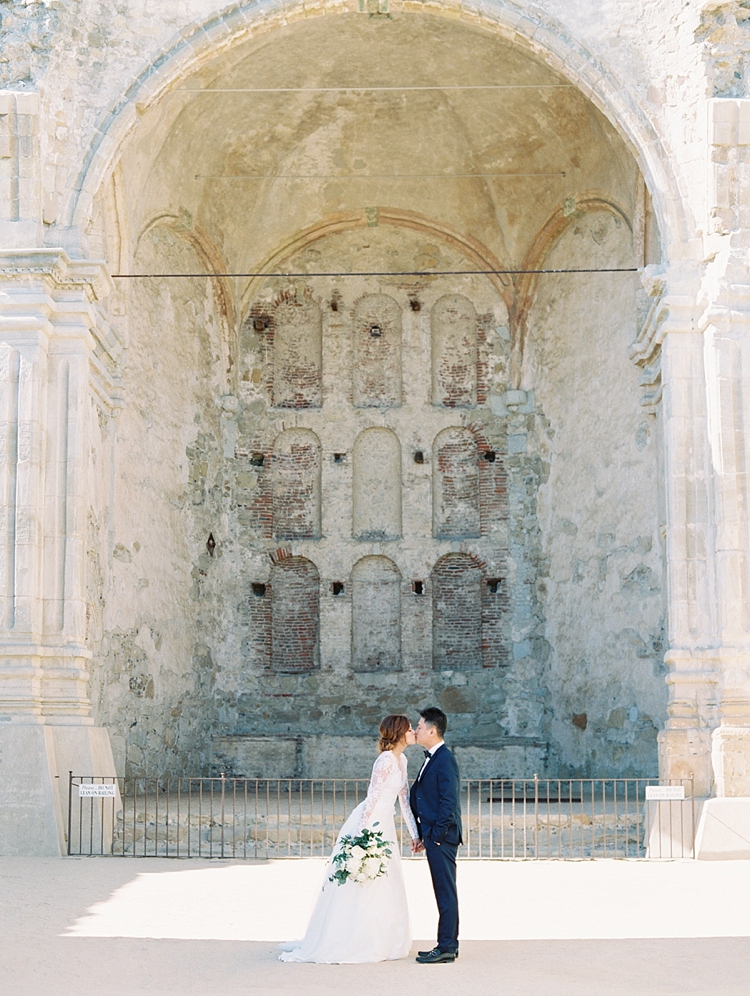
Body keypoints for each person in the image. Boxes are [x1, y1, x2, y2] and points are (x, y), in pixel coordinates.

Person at [279, 714, 420, 963]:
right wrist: (359, 838)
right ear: (399, 733)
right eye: (410, 729)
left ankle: (382, 938)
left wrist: (414, 834)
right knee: (362, 879)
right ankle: (352, 938)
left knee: (387, 880)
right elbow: (372, 798)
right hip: (370, 824)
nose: (413, 733)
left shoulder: (403, 760)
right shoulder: (385, 760)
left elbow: (405, 800)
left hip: (386, 825)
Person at [409, 706, 462, 964]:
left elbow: (448, 801)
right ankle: (448, 943)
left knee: (445, 891)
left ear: (432, 730)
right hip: (431, 835)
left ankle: (446, 947)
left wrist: (437, 835)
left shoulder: (444, 759)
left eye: (419, 726)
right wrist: (421, 834)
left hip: (442, 837)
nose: (416, 730)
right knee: (442, 889)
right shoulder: (433, 757)